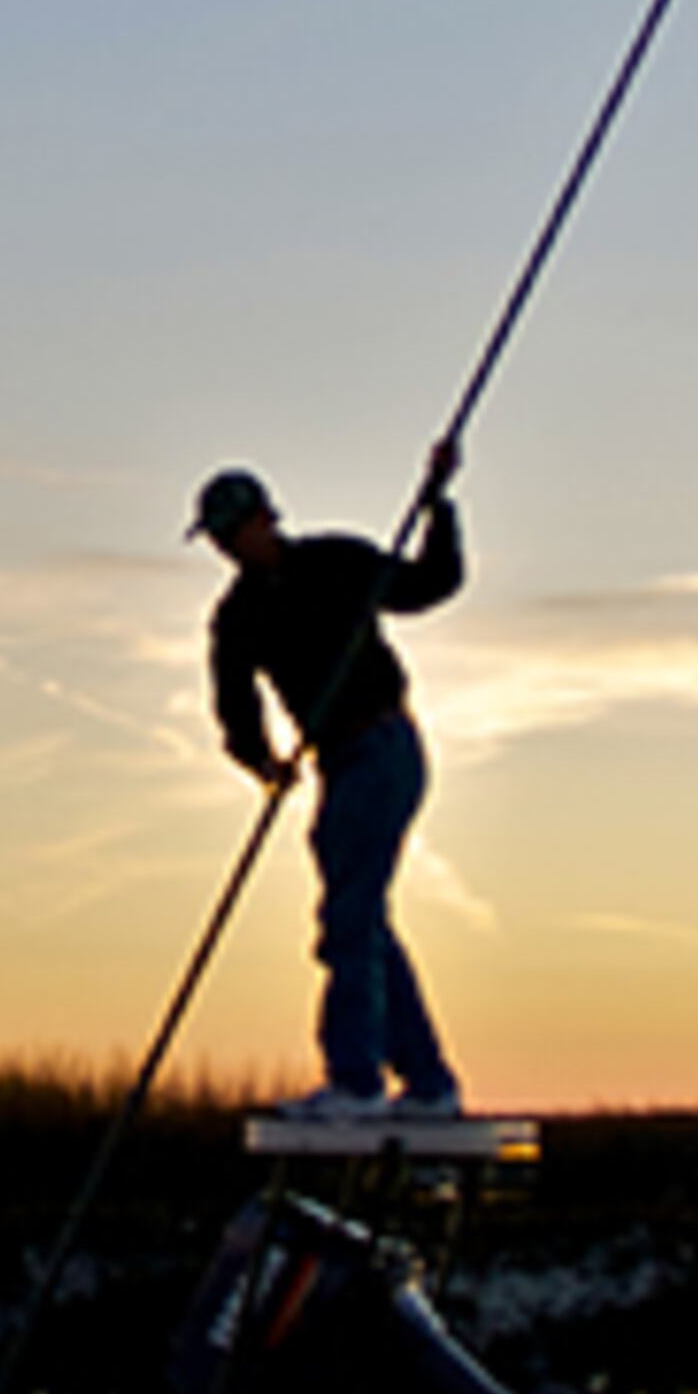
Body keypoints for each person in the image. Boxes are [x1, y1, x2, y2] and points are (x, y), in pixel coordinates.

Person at [194, 446, 469, 1122]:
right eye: (220, 540)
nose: (231, 549)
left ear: (265, 519)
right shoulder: (237, 616)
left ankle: (357, 1082)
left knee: (347, 919)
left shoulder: (337, 562)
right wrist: (262, 763)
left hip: (383, 745)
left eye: (237, 532)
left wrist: (438, 504)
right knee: (363, 919)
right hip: (335, 765)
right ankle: (429, 1085)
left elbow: (431, 583)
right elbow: (235, 704)